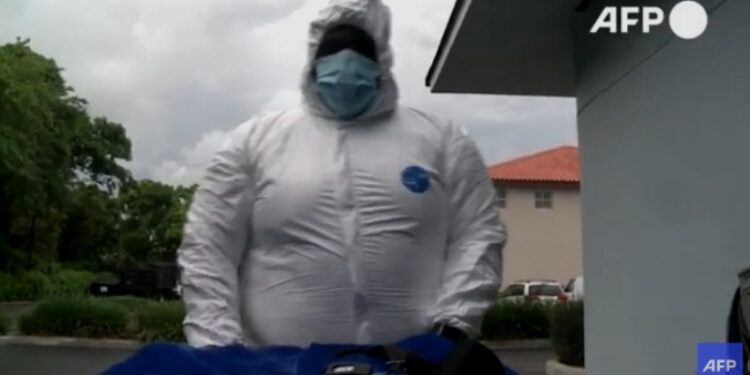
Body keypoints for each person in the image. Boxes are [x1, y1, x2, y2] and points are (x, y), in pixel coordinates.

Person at [177, 0, 507, 348]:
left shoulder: (443, 140)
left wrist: (452, 330)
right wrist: (219, 347)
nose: (347, 61)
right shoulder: (254, 142)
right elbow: (208, 244)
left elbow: (477, 235)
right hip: (279, 366)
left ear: (382, 59)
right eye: (333, 48)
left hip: (417, 365)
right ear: (313, 60)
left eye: (360, 49)